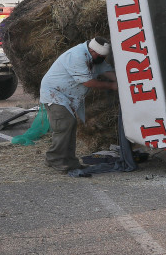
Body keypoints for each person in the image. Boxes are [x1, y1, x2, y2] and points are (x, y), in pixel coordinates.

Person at [39, 37, 118, 173]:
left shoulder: (94, 57)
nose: (101, 59)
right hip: (55, 93)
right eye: (100, 56)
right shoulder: (77, 56)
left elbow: (107, 71)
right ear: (92, 51)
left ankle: (70, 162)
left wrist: (122, 81)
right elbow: (87, 82)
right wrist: (111, 86)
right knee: (64, 125)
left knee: (70, 125)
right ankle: (54, 159)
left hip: (66, 96)